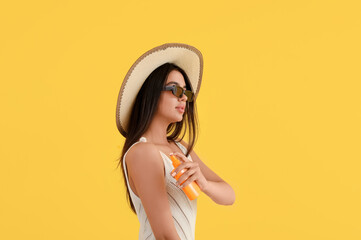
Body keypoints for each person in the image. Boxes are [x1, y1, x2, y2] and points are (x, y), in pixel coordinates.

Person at [115, 43, 235, 240]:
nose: (183, 99)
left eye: (186, 93)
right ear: (151, 92)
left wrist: (204, 184)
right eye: (175, 90)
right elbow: (164, 235)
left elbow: (229, 196)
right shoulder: (142, 152)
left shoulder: (179, 146)